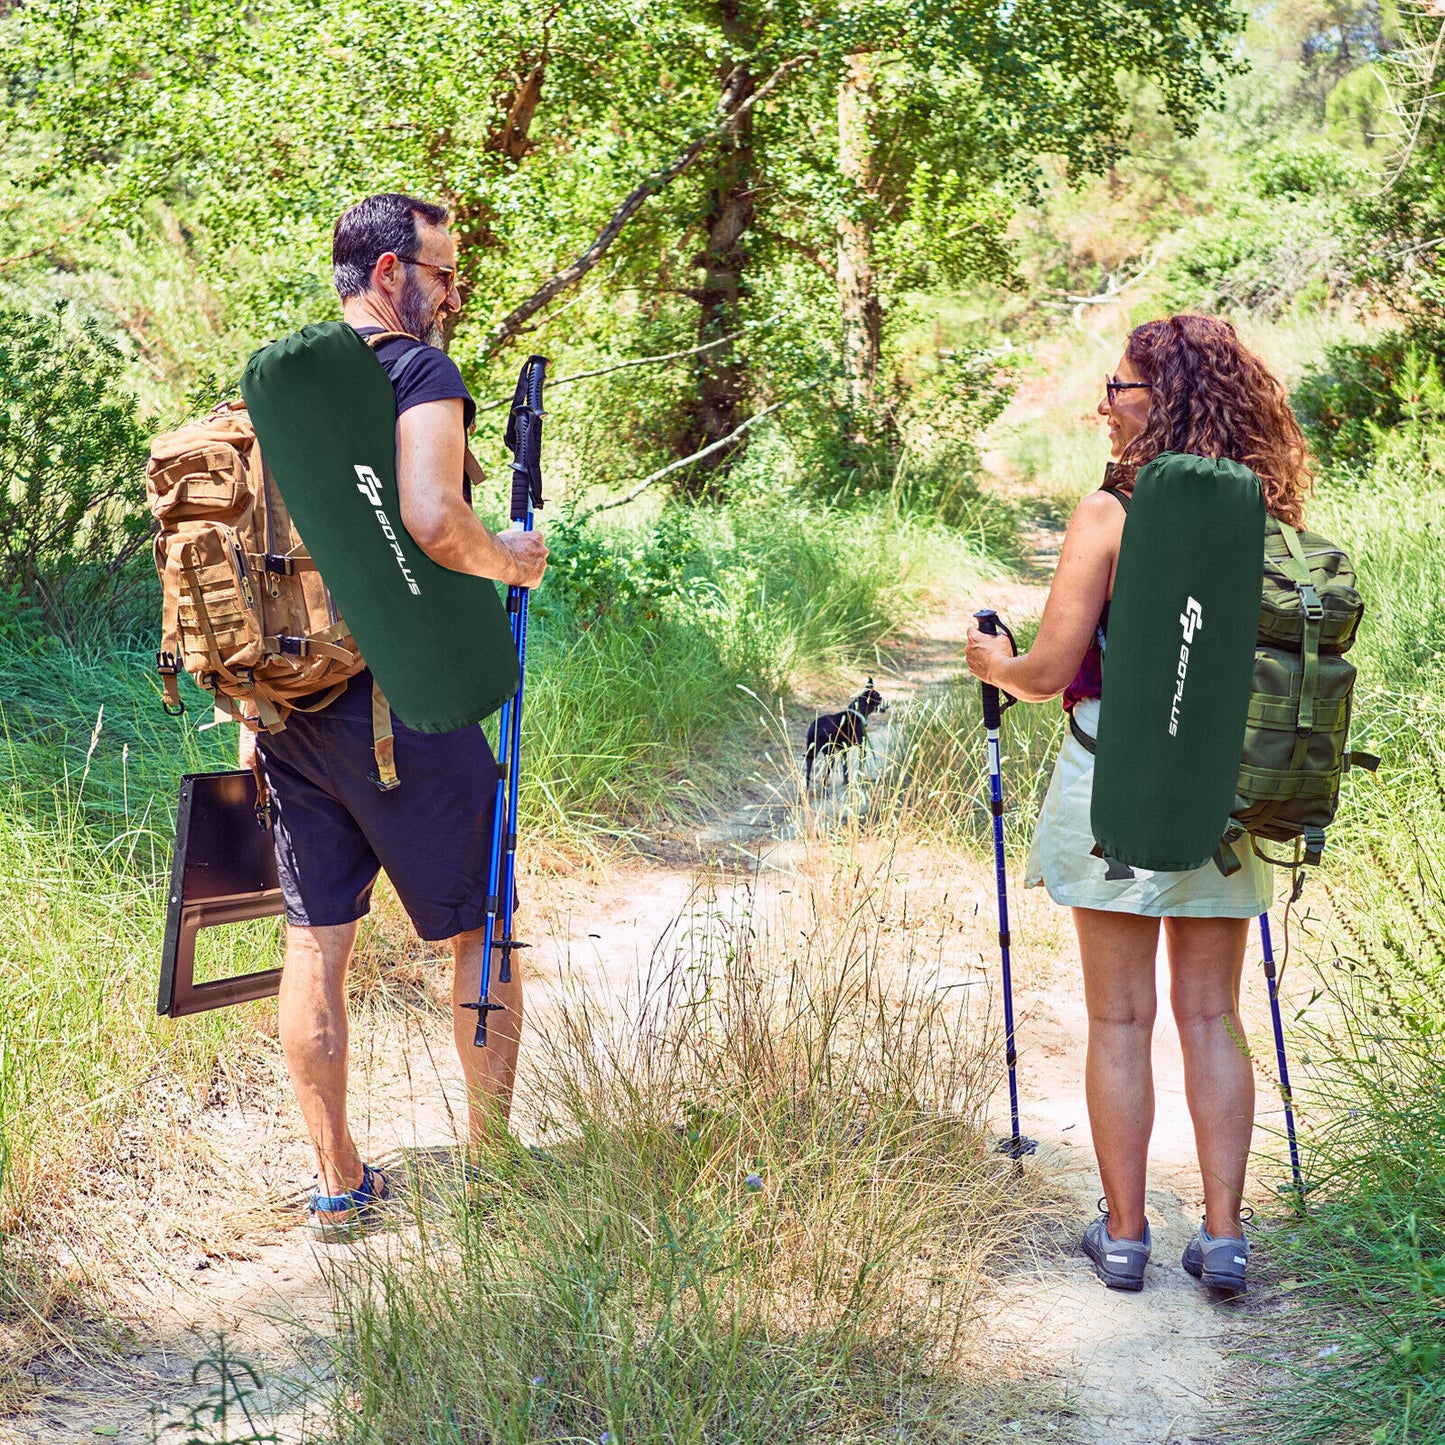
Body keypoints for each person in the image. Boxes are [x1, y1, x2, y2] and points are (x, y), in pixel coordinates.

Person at [965, 314, 1312, 1294]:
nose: (1100, 405)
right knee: (1211, 1013)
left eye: (1115, 389)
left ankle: (1122, 1236)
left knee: (1118, 1019)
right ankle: (1224, 1233)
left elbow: (1044, 670)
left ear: (1159, 401)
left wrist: (991, 658)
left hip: (1109, 780)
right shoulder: (1267, 515)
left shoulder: (1107, 514)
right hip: (1225, 794)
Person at [239, 192, 548, 1236]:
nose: (453, 296)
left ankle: (338, 1179)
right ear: (387, 274)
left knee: (315, 940)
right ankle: (494, 1165)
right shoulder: (415, 370)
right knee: (482, 922)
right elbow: (427, 514)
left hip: (289, 709)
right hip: (400, 700)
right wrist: (507, 558)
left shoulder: (287, 390)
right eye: (443, 274)